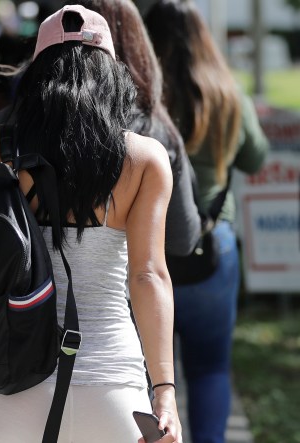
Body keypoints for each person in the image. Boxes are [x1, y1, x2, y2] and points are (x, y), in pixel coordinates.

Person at [0, 6, 182, 443]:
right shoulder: (144, 160)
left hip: (12, 382)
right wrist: (164, 393)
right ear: (111, 73)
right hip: (114, 387)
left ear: (37, 73)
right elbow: (148, 275)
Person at [145, 2, 270, 442]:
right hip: (214, 249)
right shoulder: (227, 93)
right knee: (210, 368)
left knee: (147, 375)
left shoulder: (142, 97)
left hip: (146, 253)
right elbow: (256, 158)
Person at [68, 0, 201, 258]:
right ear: (136, 44)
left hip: (21, 290)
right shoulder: (154, 134)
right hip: (120, 290)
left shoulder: (11, 126)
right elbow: (182, 237)